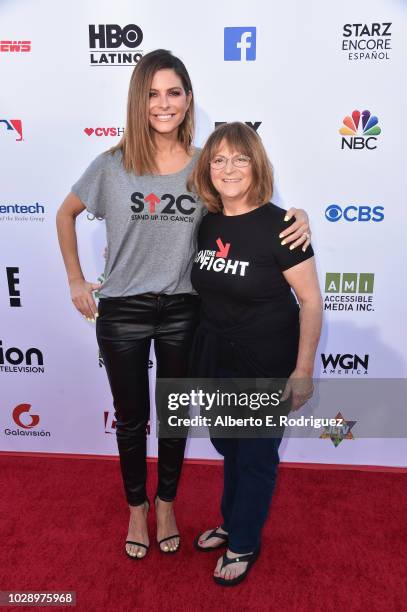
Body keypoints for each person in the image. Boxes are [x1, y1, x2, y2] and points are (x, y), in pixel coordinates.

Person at [56, 50, 312, 561]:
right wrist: (76, 280)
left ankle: (167, 504)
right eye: (152, 93)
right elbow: (65, 215)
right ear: (139, 100)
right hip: (123, 310)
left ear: (188, 99)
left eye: (174, 92)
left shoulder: (204, 165)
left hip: (183, 311)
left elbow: (248, 206)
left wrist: (297, 214)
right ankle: (136, 508)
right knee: (131, 420)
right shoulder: (110, 164)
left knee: (173, 416)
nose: (163, 104)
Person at [189, 122, 322, 586]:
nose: (229, 168)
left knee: (256, 457)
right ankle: (232, 521)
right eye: (219, 159)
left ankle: (244, 541)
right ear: (208, 168)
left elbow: (311, 300)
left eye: (240, 159)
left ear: (256, 165)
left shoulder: (282, 225)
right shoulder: (206, 221)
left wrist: (302, 370)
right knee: (229, 448)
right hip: (216, 361)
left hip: (265, 367)